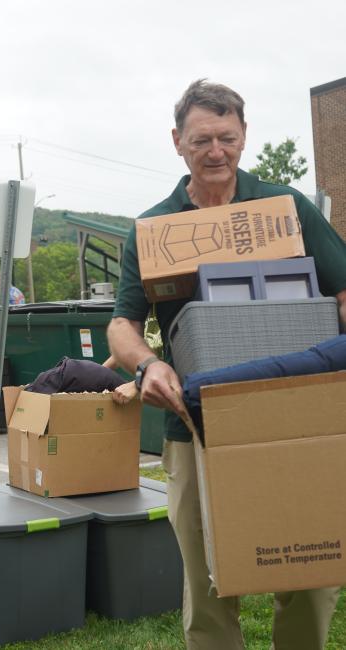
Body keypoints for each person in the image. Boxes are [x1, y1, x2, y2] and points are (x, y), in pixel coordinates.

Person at [107, 79, 346, 650]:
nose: (216, 151)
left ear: (243, 137)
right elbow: (121, 324)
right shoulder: (153, 226)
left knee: (312, 570)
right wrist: (145, 366)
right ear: (177, 142)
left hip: (296, 415)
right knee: (208, 577)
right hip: (194, 425)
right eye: (202, 139)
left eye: (227, 138)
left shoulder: (284, 208)